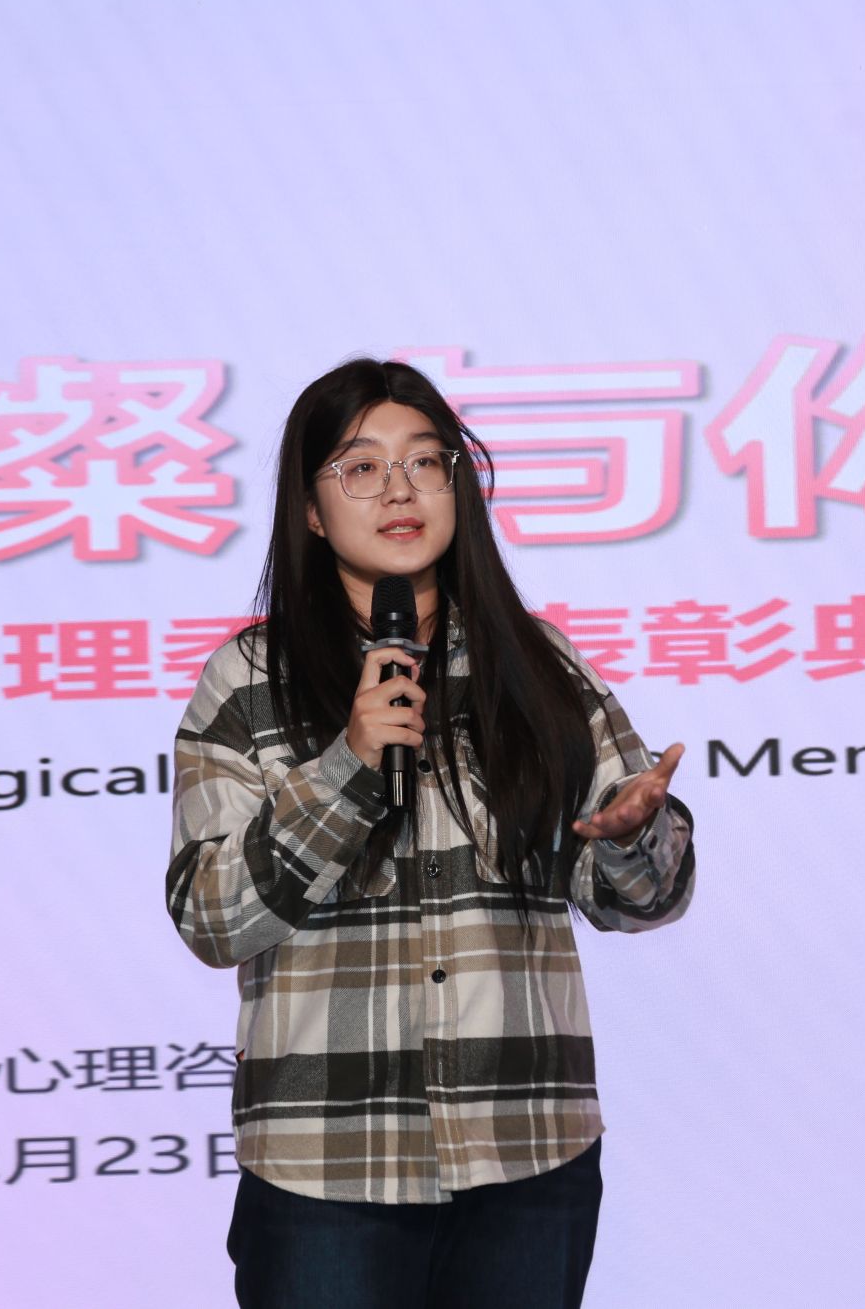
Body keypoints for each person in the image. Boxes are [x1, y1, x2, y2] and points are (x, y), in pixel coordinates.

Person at [167, 357, 697, 1309]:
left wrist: (630, 836)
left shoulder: (536, 663)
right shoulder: (248, 679)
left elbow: (641, 899)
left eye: (425, 460)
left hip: (526, 1151)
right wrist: (347, 765)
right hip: (326, 1166)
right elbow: (212, 918)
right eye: (362, 467)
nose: (401, 489)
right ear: (311, 510)